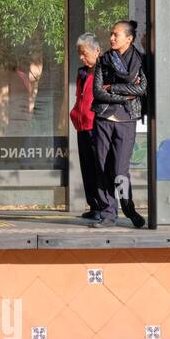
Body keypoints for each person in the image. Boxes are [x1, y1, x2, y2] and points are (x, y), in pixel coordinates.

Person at [90, 20, 147, 228]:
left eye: (116, 35)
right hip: (104, 118)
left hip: (127, 120)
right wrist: (124, 95)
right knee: (101, 167)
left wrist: (112, 87)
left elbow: (141, 90)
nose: (112, 38)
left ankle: (128, 208)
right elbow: (97, 92)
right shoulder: (104, 59)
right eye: (111, 34)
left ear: (129, 39)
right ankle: (108, 214)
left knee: (120, 170)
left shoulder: (140, 60)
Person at [70, 33, 101, 221]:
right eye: (80, 54)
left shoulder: (105, 70)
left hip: (97, 126)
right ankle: (93, 205)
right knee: (87, 168)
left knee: (98, 169)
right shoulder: (82, 73)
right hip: (82, 126)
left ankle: (103, 206)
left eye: (84, 53)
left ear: (96, 50)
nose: (82, 57)